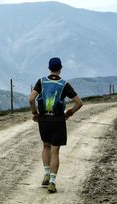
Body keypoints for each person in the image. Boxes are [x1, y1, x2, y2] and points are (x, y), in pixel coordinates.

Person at [29, 57, 83, 193]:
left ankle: (46, 174)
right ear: (60, 69)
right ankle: (52, 182)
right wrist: (68, 113)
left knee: (45, 146)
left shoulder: (41, 81)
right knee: (55, 151)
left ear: (49, 68)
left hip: (44, 120)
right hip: (58, 120)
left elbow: (31, 99)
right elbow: (79, 103)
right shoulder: (64, 84)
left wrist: (35, 113)